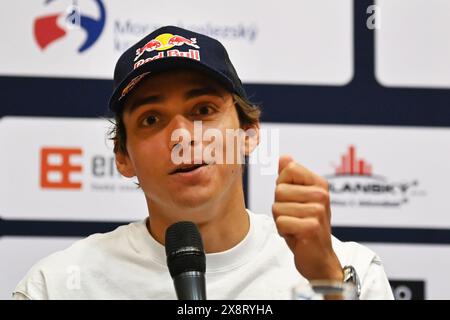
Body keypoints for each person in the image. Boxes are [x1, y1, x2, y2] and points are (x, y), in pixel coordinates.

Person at [13, 26, 393, 300]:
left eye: (203, 110)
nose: (181, 136)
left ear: (248, 134)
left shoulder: (347, 270)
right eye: (151, 119)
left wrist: (326, 281)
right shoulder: (56, 286)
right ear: (123, 158)